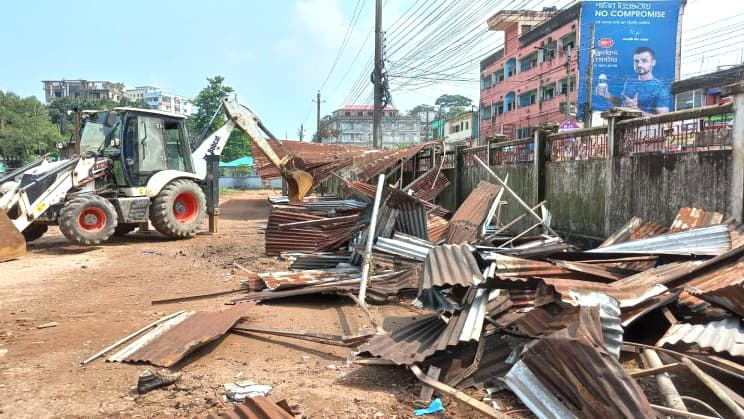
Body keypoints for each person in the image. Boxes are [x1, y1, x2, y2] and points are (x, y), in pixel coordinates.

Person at [596, 46, 671, 115]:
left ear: (653, 63)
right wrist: (608, 96)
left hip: (643, 129)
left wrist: (635, 109)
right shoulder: (629, 82)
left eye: (644, 61)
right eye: (636, 61)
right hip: (622, 127)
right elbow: (624, 105)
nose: (639, 65)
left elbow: (663, 119)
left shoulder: (660, 88)